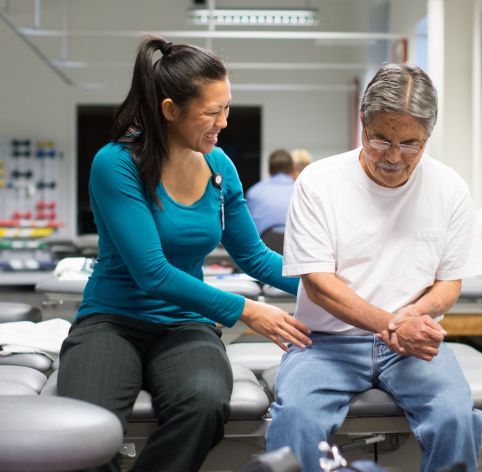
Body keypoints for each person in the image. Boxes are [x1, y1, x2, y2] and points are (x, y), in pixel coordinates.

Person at [56, 35, 311, 472]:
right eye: (212, 112)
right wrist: (247, 310)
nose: (224, 123)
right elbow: (152, 273)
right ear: (170, 110)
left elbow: (256, 258)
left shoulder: (220, 167)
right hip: (112, 320)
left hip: (185, 325)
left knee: (205, 405)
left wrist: (336, 291)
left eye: (227, 108)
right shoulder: (116, 164)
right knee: (86, 427)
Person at [266, 63, 482, 472]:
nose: (393, 156)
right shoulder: (319, 183)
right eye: (381, 139)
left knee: (456, 420)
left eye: (410, 144)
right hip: (325, 344)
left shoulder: (449, 188)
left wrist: (413, 318)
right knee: (296, 420)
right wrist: (392, 325)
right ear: (362, 125)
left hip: (411, 349)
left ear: (427, 136)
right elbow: (318, 285)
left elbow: (449, 283)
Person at [246, 148, 295, 235]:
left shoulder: (254, 192)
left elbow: (247, 228)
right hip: (294, 247)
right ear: (292, 170)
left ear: (269, 170)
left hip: (262, 247)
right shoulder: (302, 192)